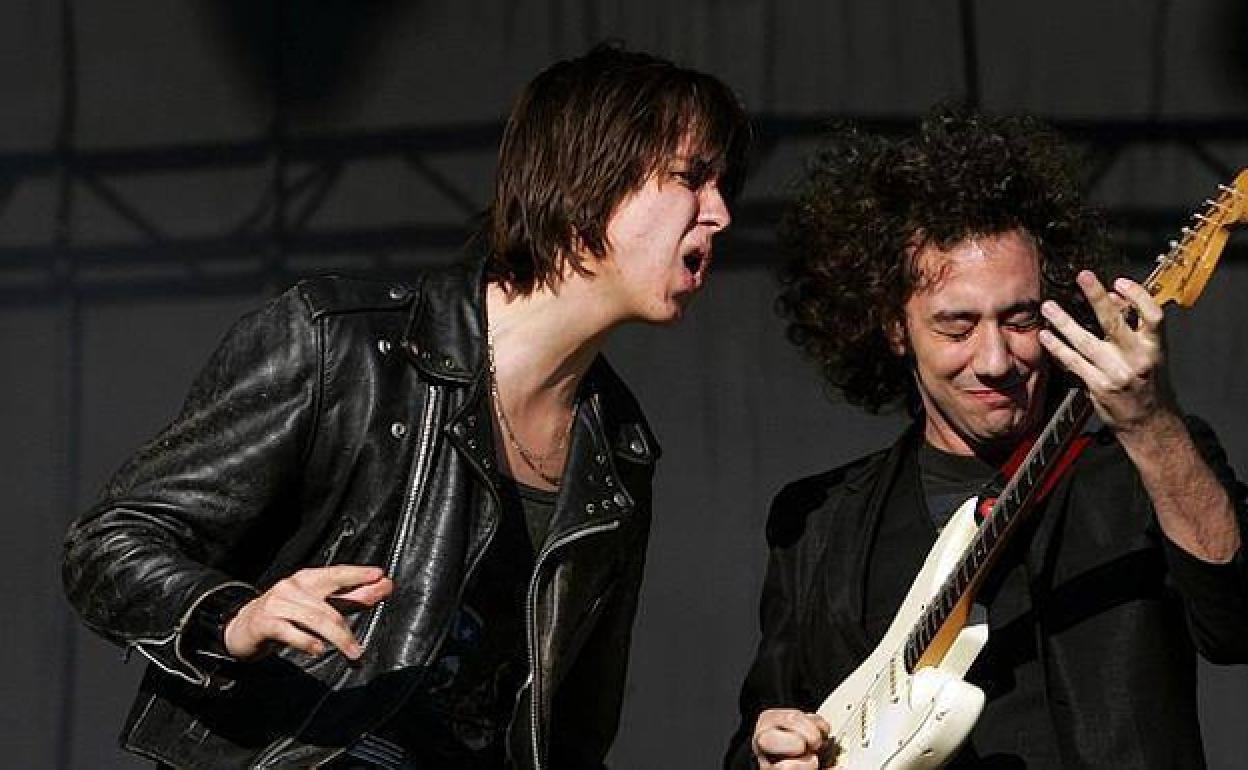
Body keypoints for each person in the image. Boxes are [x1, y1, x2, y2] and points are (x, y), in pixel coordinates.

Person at [63, 43, 749, 770]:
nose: (721, 214)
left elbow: (572, 734)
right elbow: (109, 545)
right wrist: (235, 615)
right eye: (691, 178)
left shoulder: (618, 450)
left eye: (723, 186)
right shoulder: (344, 346)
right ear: (588, 177)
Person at [724, 107, 1248, 769]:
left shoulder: (1148, 466)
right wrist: (770, 753)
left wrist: (1151, 426)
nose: (996, 359)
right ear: (894, 327)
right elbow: (757, 735)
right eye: (957, 326)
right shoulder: (820, 523)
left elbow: (1236, 624)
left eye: (1020, 319)